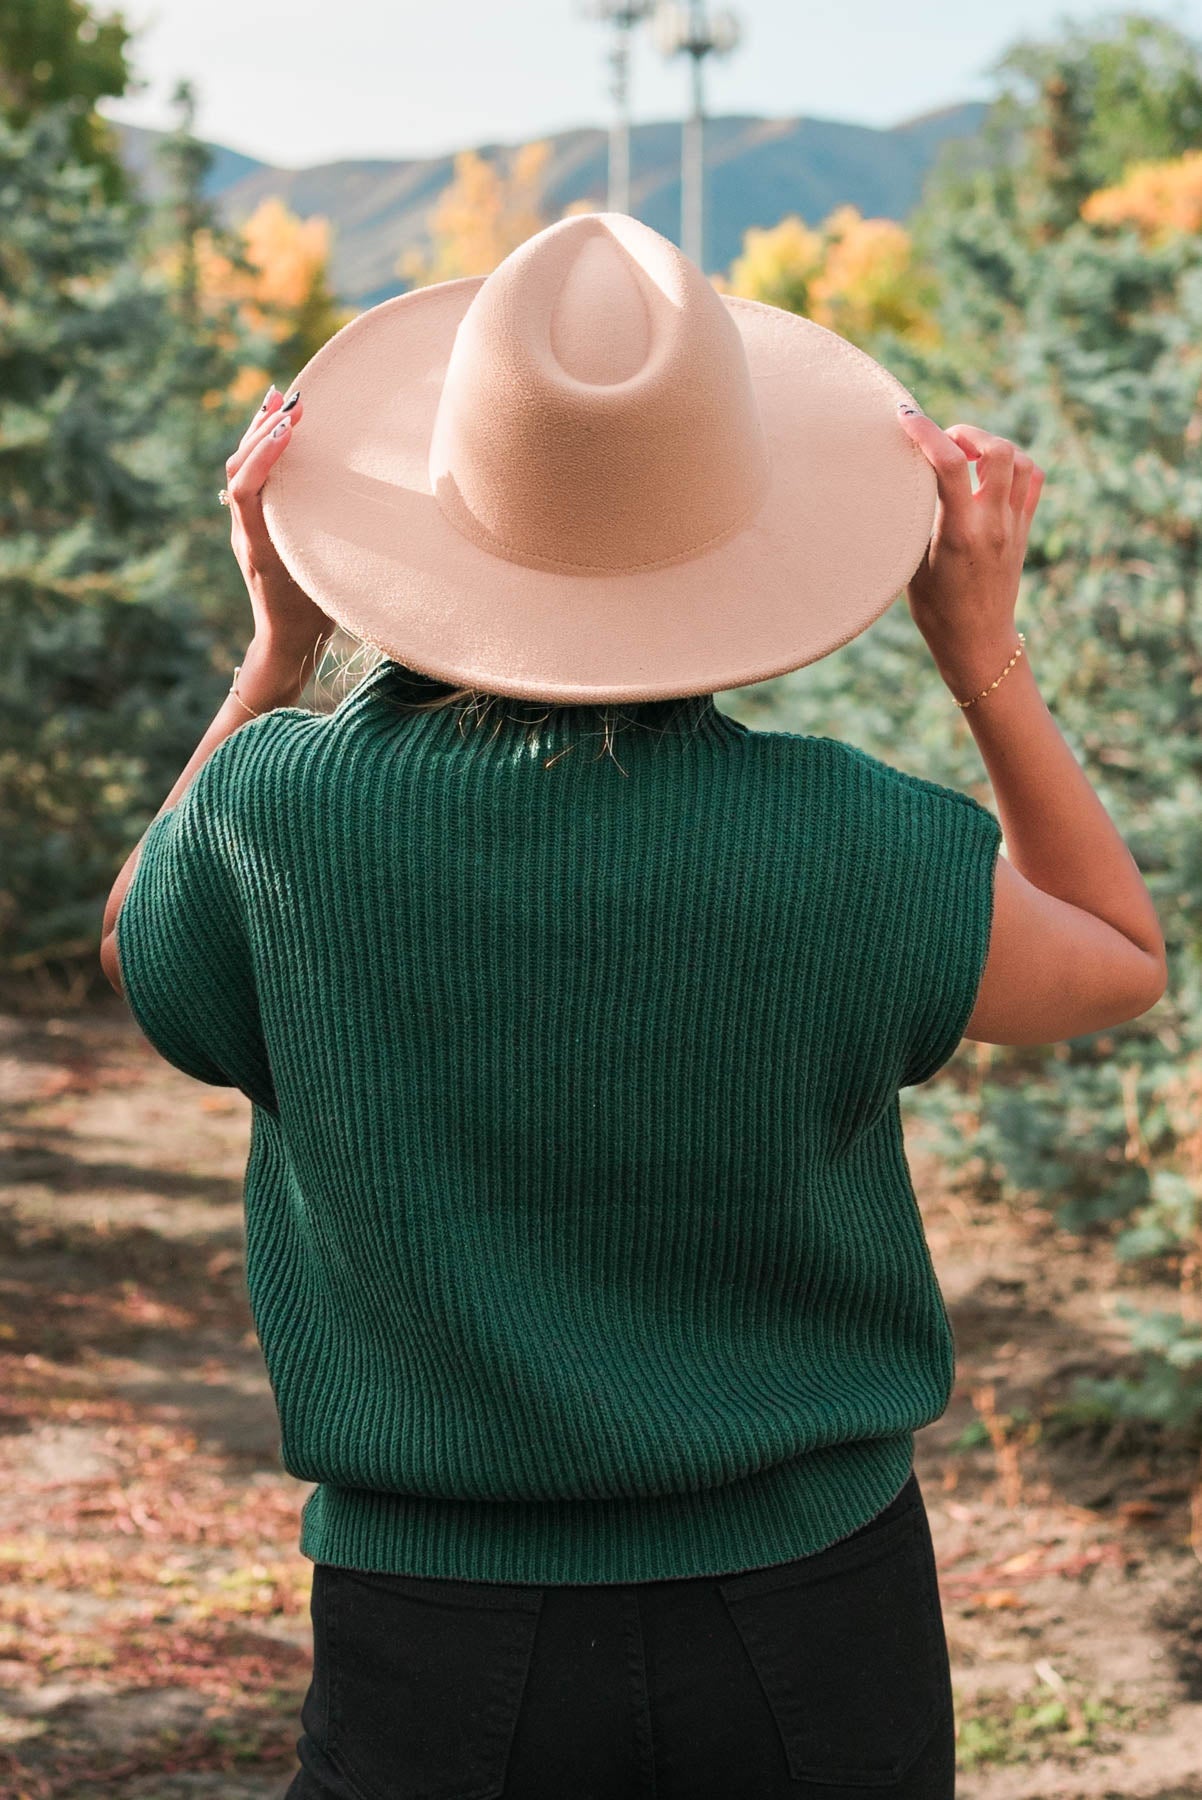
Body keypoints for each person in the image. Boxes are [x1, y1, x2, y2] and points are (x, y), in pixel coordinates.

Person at [100, 213, 1166, 1800]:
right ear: (728, 533)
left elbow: (138, 943)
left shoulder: (275, 815)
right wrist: (980, 650)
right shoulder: (852, 838)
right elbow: (1114, 954)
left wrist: (275, 655)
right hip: (811, 1613)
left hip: (431, 1623)